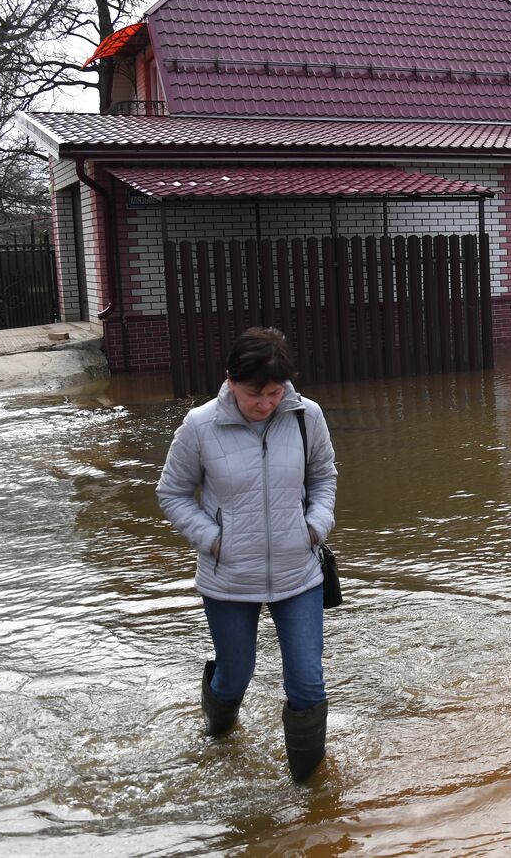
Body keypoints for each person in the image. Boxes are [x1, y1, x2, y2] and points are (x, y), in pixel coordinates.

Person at [157, 326, 338, 783]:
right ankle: (219, 734)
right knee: (235, 676)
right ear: (230, 381)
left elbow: (323, 477)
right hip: (229, 577)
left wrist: (315, 527)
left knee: (307, 681)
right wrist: (214, 539)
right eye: (255, 393)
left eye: (274, 393)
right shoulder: (200, 426)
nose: (265, 404)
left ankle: (309, 793)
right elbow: (173, 492)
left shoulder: (305, 416)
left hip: (299, 572)